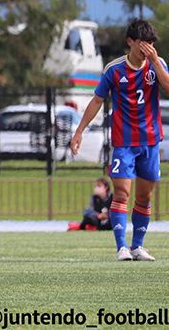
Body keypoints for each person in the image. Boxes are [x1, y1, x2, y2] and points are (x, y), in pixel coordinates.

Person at [71, 19, 168, 261]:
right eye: (143, 43)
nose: (147, 48)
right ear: (130, 42)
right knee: (122, 193)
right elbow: (97, 100)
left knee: (144, 197)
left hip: (150, 142)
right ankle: (121, 247)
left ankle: (138, 246)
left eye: (151, 43)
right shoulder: (114, 69)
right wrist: (79, 131)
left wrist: (156, 62)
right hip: (124, 143)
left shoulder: (157, 64)